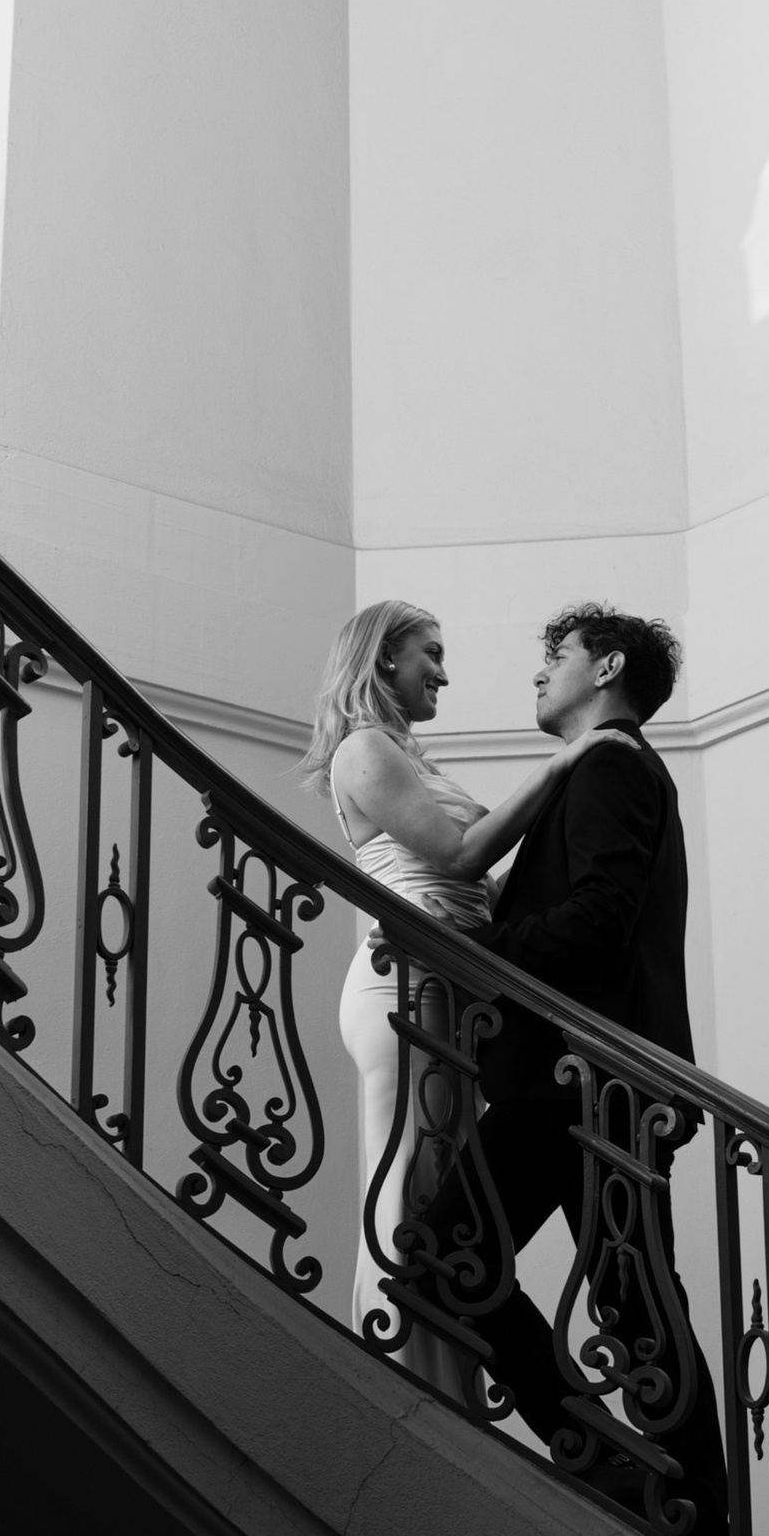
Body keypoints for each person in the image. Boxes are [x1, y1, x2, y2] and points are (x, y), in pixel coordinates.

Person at [413, 605, 733, 1536]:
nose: (540, 675)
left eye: (556, 657)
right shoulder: (621, 769)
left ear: (609, 667)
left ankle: (663, 1496)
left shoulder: (609, 764)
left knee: (450, 1258)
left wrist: (477, 947)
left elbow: (598, 915)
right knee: (631, 1298)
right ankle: (684, 1510)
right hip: (588, 1079)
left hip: (577, 1081)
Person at [301, 599, 621, 1409]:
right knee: (408, 1180)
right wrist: (563, 766)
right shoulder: (364, 750)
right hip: (403, 990)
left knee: (439, 1185)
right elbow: (461, 851)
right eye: (429, 654)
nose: (443, 671)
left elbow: (482, 887)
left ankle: (446, 1393)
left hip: (449, 988)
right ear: (382, 662)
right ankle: (393, 1391)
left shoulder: (409, 758)